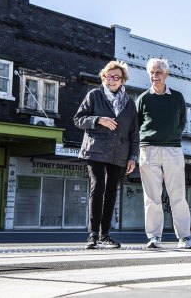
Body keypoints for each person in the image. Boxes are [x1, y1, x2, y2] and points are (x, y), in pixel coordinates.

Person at [74, 60, 139, 249]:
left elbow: (134, 133)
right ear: (103, 77)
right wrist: (98, 120)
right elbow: (78, 119)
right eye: (108, 76)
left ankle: (105, 235)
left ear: (122, 80)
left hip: (119, 153)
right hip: (96, 149)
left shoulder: (129, 104)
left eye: (116, 77)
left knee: (111, 192)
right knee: (98, 187)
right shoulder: (94, 95)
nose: (111, 80)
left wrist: (132, 157)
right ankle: (92, 235)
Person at [136, 58, 191, 249]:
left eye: (158, 73)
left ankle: (185, 237)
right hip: (148, 149)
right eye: (152, 73)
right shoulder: (143, 98)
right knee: (152, 196)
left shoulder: (177, 97)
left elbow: (181, 122)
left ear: (166, 75)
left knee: (177, 195)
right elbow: (138, 124)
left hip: (173, 149)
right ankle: (154, 237)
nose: (155, 76)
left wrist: (170, 138)